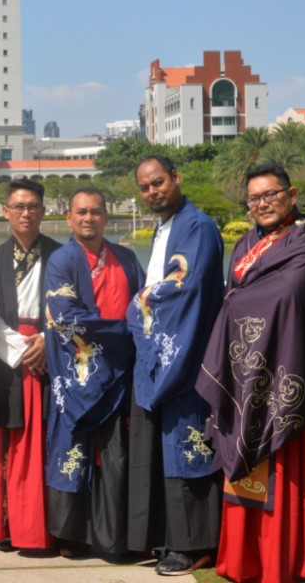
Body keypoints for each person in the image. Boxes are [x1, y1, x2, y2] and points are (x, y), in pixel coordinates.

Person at [197, 164, 305, 583]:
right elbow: (236, 294)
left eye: (270, 194)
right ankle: (249, 559)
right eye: (254, 198)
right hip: (248, 369)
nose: (262, 204)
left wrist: (234, 306)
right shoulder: (245, 243)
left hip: (295, 369)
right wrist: (235, 305)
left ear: (291, 195)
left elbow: (288, 293)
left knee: (297, 469)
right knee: (250, 460)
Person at [126, 155, 224, 575]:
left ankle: (195, 545)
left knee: (188, 447)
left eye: (159, 182)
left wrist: (136, 304)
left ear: (176, 178)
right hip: (165, 351)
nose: (153, 192)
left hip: (188, 353)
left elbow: (184, 288)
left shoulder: (197, 227)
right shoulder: (164, 227)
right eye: (145, 187)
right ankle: (170, 538)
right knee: (166, 448)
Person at [43, 186, 143, 558]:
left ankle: (115, 540)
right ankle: (71, 536)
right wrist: (125, 333)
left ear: (106, 217)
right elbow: (66, 317)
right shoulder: (61, 260)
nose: (89, 218)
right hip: (79, 374)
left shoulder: (127, 258)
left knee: (116, 458)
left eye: (96, 211)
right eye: (81, 212)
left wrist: (133, 333)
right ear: (69, 218)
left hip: (121, 373)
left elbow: (143, 307)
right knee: (73, 452)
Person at [0, 178, 61, 554]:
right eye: (18, 206)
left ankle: (54, 528)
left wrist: (48, 340)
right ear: (6, 212)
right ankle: (9, 527)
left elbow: (75, 308)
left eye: (33, 206)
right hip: (8, 360)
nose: (26, 213)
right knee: (8, 444)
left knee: (51, 441)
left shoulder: (62, 256)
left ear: (43, 211)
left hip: (52, 356)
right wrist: (21, 348)